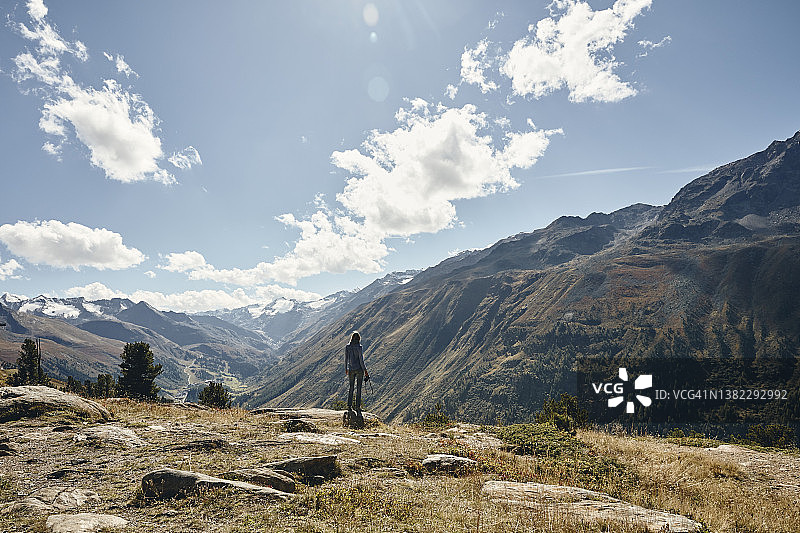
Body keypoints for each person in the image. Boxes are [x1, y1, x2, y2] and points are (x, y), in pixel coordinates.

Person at [344, 331, 369, 413]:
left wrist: (346, 369)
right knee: (358, 388)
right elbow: (361, 360)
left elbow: (346, 359)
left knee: (351, 387)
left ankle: (349, 406)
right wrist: (365, 371)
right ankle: (357, 407)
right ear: (358, 338)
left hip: (351, 369)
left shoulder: (347, 347)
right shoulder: (359, 347)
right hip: (359, 369)